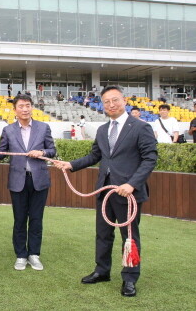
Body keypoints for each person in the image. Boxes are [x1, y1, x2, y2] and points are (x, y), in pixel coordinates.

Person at [54, 85, 157, 297]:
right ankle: (102, 271)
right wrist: (70, 165)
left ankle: (129, 278)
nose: (111, 105)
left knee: (129, 237)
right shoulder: (102, 130)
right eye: (106, 102)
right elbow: (95, 157)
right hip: (105, 191)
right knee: (102, 234)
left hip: (128, 194)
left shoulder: (140, 127)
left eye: (115, 100)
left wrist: (132, 184)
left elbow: (150, 159)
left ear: (124, 101)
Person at [0, 94, 56, 272]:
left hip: (39, 180)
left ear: (32, 107)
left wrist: (41, 152)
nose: (25, 109)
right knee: (19, 220)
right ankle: (21, 255)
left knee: (36, 219)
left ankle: (34, 255)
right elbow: (2, 154)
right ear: (15, 109)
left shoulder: (43, 127)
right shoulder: (9, 130)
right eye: (21, 106)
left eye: (28, 105)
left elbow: (52, 150)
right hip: (18, 180)